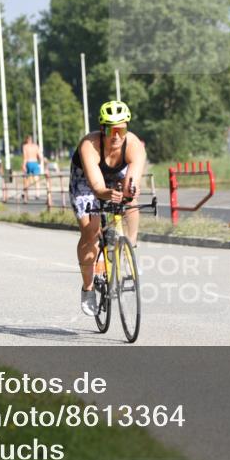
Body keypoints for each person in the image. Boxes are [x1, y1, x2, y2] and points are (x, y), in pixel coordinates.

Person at [69, 100, 147, 316]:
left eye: (120, 129)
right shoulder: (89, 145)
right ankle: (88, 288)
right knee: (90, 232)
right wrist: (105, 194)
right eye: (109, 129)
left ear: (126, 129)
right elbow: (96, 186)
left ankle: (130, 249)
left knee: (130, 201)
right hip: (85, 181)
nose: (115, 136)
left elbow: (132, 180)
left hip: (115, 175)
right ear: (101, 130)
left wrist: (129, 190)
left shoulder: (134, 146)